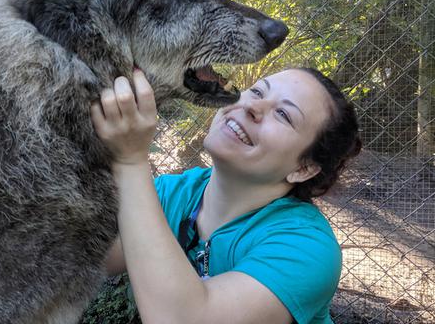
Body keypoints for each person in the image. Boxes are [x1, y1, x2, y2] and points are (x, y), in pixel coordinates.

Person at [90, 67, 362, 324]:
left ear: (303, 169)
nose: (252, 107)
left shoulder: (307, 248)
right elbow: (88, 254)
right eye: (257, 92)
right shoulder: (174, 194)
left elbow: (183, 320)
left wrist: (130, 160)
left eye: (283, 115)